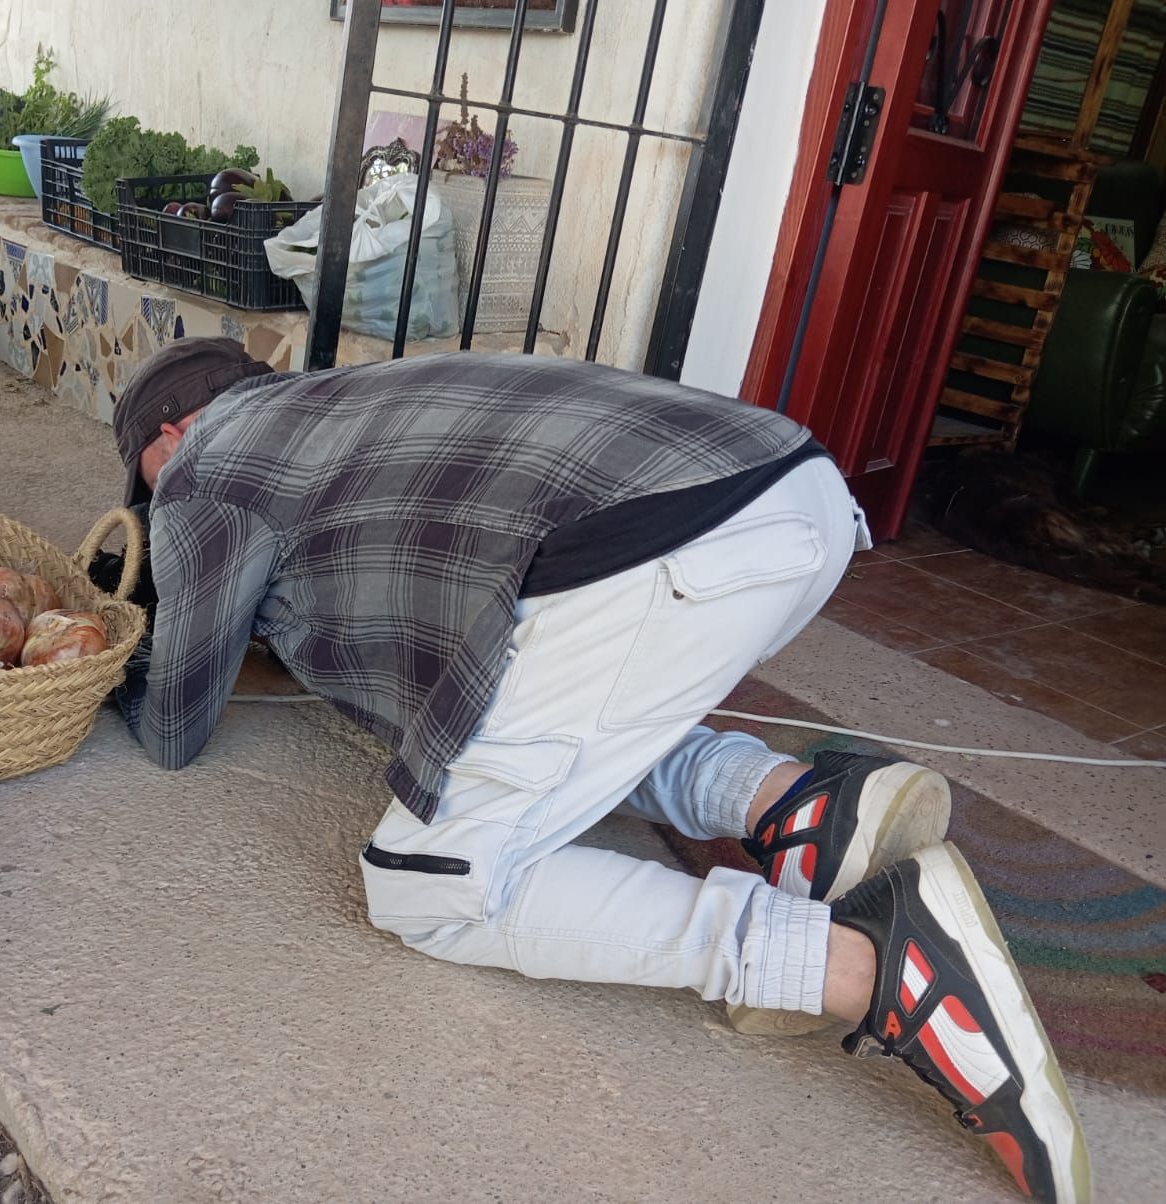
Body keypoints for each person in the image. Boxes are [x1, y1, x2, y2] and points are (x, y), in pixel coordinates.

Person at [92, 337, 1089, 1203]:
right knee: (554, 712)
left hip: (660, 552)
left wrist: (113, 666)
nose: (149, 496)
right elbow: (443, 660)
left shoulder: (204, 466)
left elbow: (177, 721)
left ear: (170, 434)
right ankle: (800, 807)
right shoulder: (347, 402)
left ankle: (871, 967)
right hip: (797, 501)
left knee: (427, 887)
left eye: (141, 473)